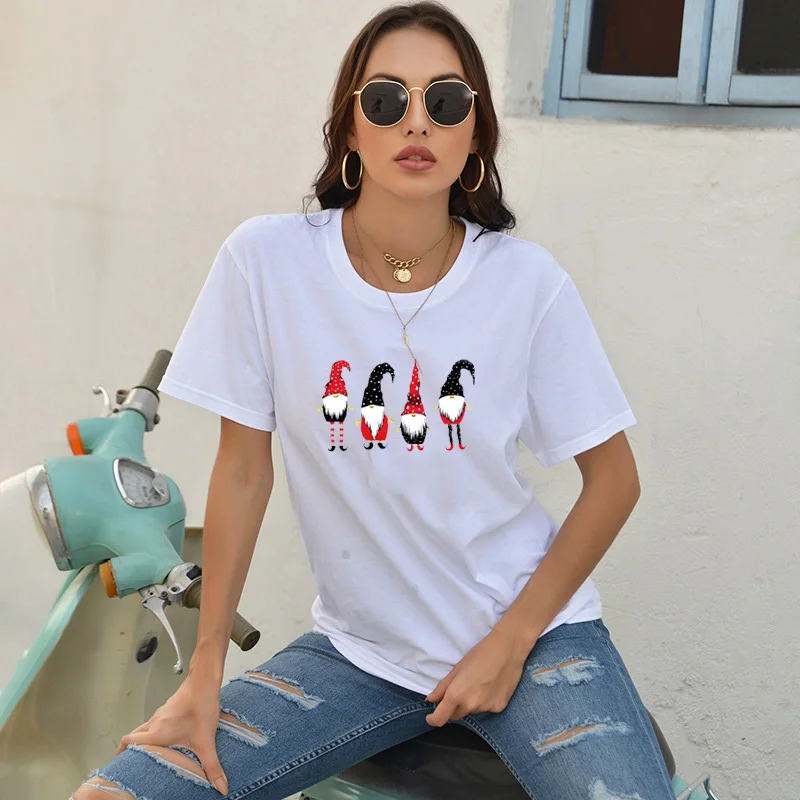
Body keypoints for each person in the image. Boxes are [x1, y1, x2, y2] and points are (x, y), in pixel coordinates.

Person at [71, 3, 675, 799]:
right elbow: (244, 472)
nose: (416, 122)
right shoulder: (266, 264)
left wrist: (511, 642)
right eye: (387, 100)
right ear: (350, 129)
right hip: (360, 658)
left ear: (475, 135)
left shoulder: (527, 285)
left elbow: (615, 480)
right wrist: (204, 669)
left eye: (446, 102)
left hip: (537, 644)